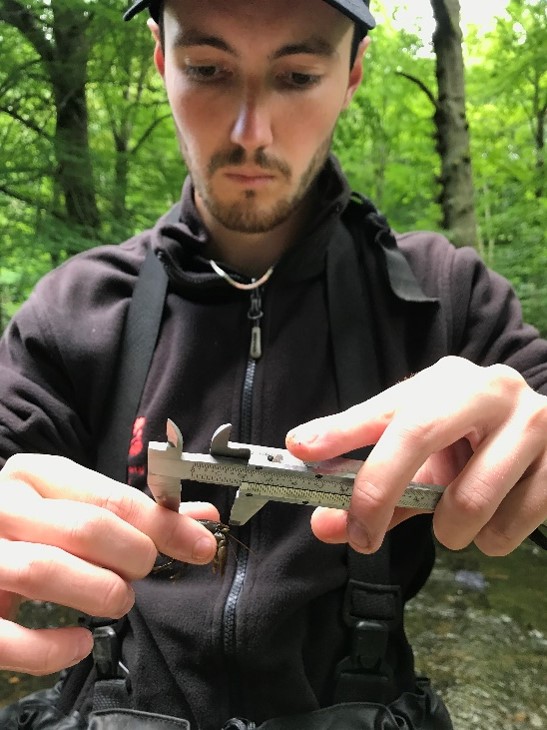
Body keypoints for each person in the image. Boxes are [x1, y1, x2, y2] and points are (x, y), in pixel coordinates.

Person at [0, 0, 546, 728]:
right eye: (207, 70)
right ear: (161, 60)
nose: (249, 132)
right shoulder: (74, 305)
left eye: (295, 75)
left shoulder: (445, 298)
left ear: (350, 75)